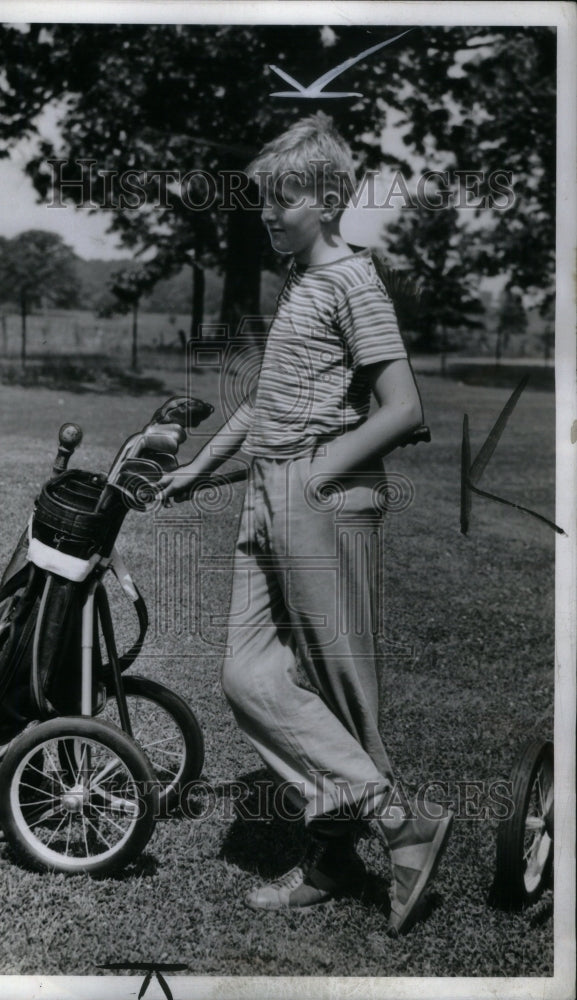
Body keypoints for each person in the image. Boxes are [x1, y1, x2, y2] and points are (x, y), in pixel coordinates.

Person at [159, 114, 452, 935]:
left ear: (327, 202)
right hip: (271, 495)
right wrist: (196, 470)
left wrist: (316, 474)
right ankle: (396, 822)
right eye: (262, 200)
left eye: (281, 200)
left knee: (341, 694)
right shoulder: (301, 288)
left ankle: (337, 860)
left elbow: (403, 408)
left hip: (320, 500)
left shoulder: (355, 281)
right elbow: (264, 406)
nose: (267, 214)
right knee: (249, 679)